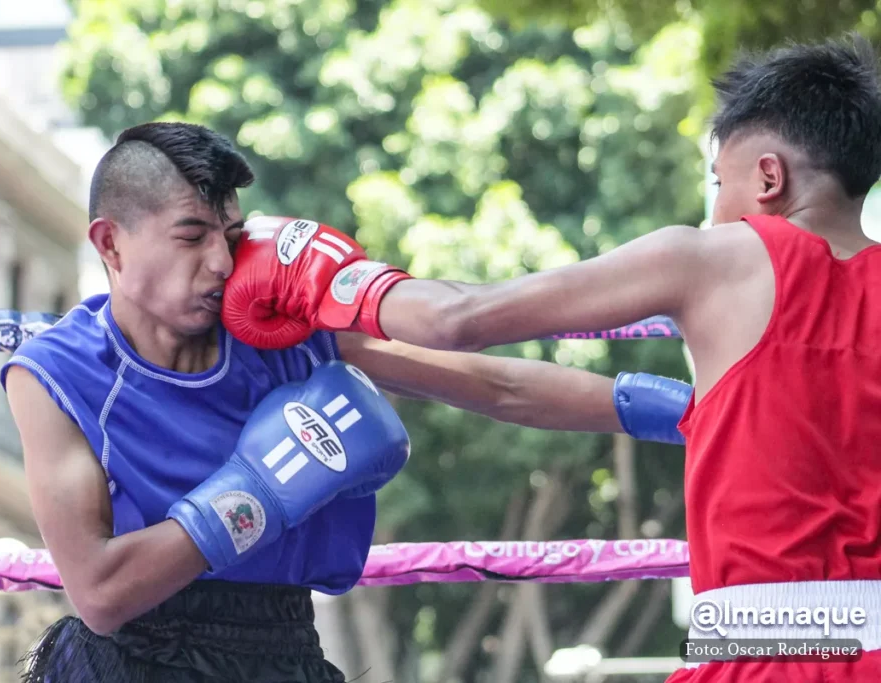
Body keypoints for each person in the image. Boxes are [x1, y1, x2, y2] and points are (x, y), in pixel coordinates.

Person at [224, 35, 881, 681]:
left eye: (720, 182)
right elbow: (512, 389)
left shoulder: (715, 260)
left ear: (769, 175)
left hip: (762, 655)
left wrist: (325, 283)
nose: (714, 211)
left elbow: (459, 318)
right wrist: (335, 344)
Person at [4, 122, 693, 682]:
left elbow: (496, 384)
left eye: (231, 236)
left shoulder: (279, 330)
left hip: (281, 648)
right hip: (133, 658)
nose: (219, 261)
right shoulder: (56, 373)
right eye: (191, 235)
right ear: (110, 244)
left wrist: (691, 410)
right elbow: (98, 593)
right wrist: (257, 493)